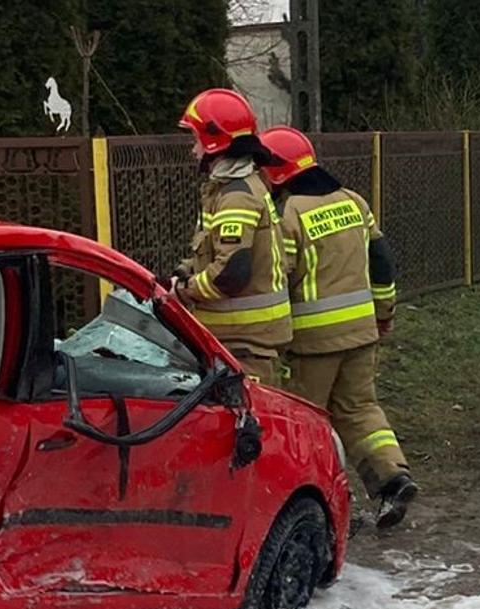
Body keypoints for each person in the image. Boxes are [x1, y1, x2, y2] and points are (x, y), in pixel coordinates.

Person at [259, 125, 418, 528]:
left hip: (312, 343)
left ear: (276, 171)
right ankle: (391, 479)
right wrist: (385, 312)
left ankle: (326, 504)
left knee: (306, 422)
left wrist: (272, 333)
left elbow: (280, 278)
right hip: (362, 331)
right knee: (360, 408)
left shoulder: (288, 215)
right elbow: (382, 262)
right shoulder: (354, 202)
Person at [171, 89, 291, 386]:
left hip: (244, 342)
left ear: (215, 141)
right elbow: (212, 252)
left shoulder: (235, 197)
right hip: (243, 340)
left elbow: (230, 274)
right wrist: (182, 272)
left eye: (196, 139)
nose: (193, 150)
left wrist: (184, 290)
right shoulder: (232, 190)